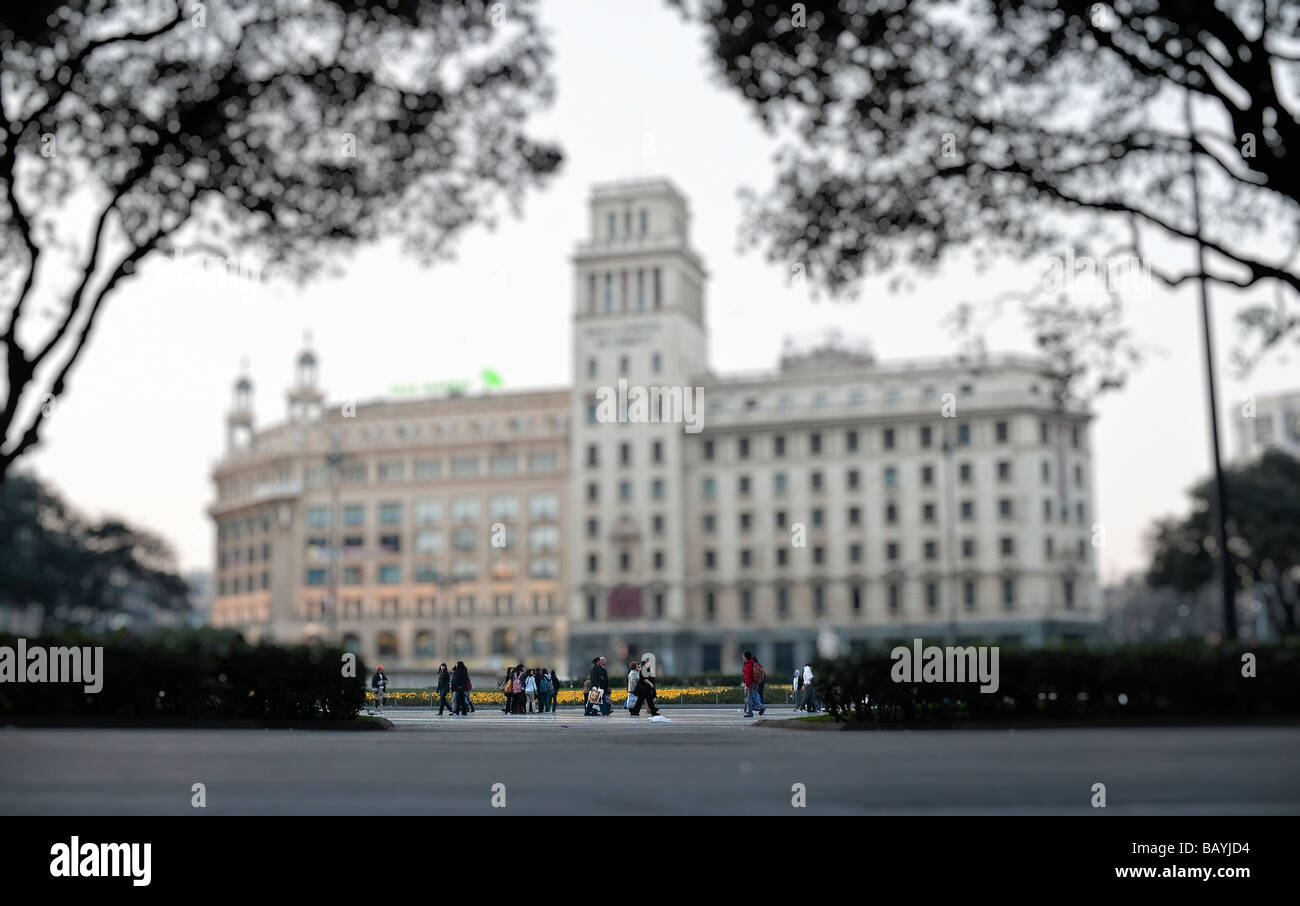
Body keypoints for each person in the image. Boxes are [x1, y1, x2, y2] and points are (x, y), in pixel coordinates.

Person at [742, 651, 766, 717]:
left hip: (750, 683)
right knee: (751, 697)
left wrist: (747, 685)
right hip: (755, 683)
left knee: (749, 698)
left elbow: (747, 675)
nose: (743, 657)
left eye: (743, 656)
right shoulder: (753, 663)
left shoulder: (748, 664)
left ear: (746, 657)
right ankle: (761, 707)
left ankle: (751, 712)